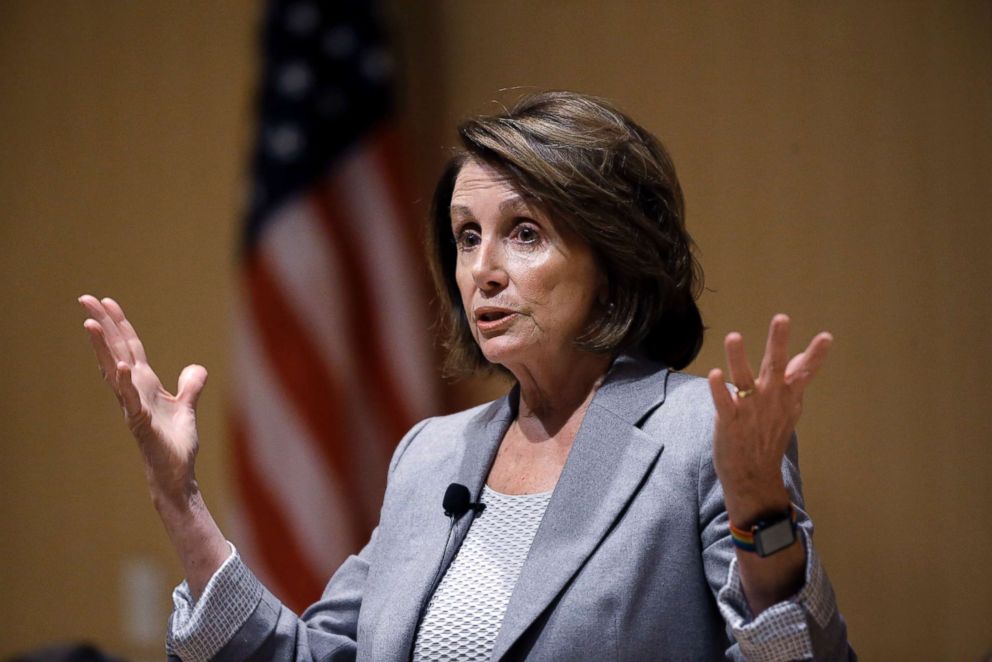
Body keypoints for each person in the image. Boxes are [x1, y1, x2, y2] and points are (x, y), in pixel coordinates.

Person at [79, 91, 853, 660]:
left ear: (613, 262)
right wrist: (180, 502)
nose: (480, 270)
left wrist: (761, 514)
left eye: (523, 234)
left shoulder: (698, 434)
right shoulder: (430, 457)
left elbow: (803, 656)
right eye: (465, 236)